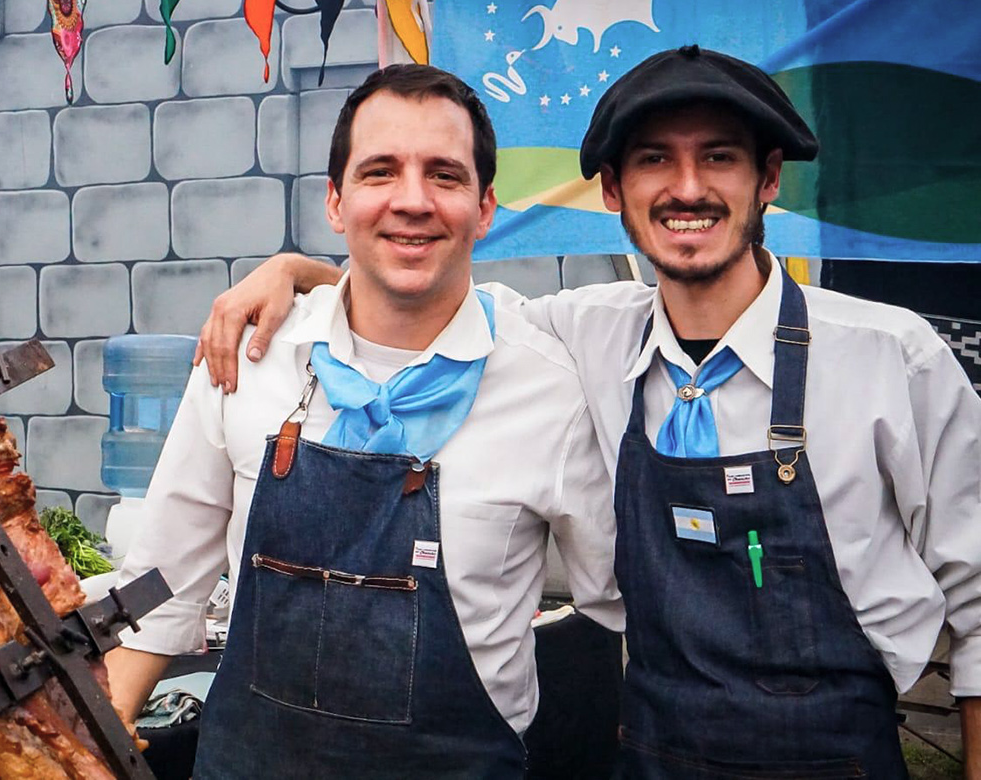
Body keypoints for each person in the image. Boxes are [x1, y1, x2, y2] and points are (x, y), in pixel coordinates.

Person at [197, 46, 981, 777]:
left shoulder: (891, 358)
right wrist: (293, 273)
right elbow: (419, 288)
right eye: (652, 161)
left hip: (839, 756)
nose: (686, 188)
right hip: (650, 750)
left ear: (767, 178)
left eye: (718, 156)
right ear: (612, 191)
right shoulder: (579, 334)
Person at [105, 64, 622, 779]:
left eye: (443, 175)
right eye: (380, 171)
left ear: (484, 208)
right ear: (334, 201)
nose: (411, 201)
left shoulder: (550, 386)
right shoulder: (248, 356)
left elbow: (614, 604)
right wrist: (80, 745)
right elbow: (159, 588)